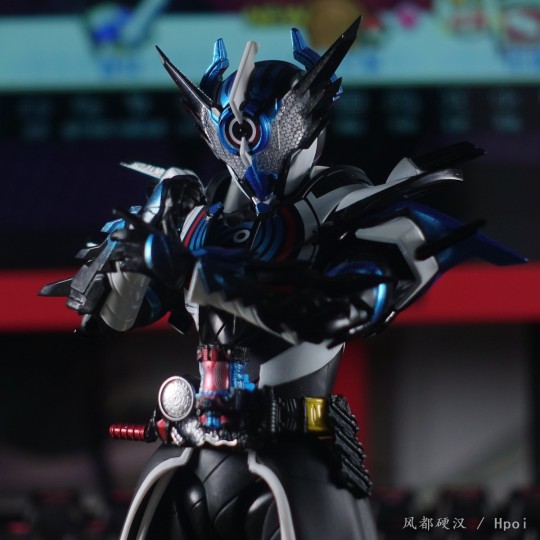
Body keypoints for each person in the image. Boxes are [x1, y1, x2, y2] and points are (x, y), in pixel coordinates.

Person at [40, 17, 525, 540]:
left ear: (305, 125)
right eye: (233, 130)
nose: (246, 147)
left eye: (256, 130)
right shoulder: (197, 219)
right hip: (190, 455)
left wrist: (203, 275)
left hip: (293, 458)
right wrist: (135, 254)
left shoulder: (351, 213)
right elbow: (111, 317)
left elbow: (341, 310)